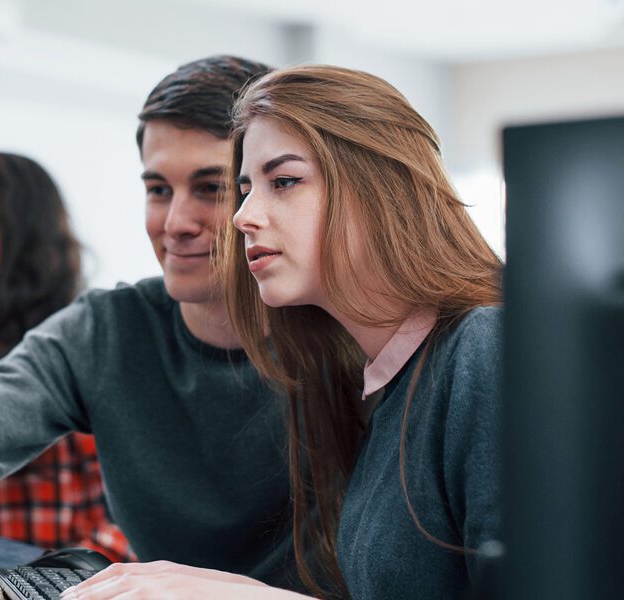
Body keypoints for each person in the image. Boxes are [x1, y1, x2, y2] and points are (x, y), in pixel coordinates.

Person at [0, 56, 323, 591]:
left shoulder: (343, 338)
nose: (175, 223)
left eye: (211, 188)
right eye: (158, 189)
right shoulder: (104, 331)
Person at [66, 65, 503, 599]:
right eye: (246, 189)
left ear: (381, 188)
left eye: (285, 182)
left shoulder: (485, 351)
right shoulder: (389, 385)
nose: (243, 216)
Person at [0, 152, 132, 561]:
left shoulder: (79, 340)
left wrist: (71, 579)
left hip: (53, 575)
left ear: (25, 228)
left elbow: (132, 514)